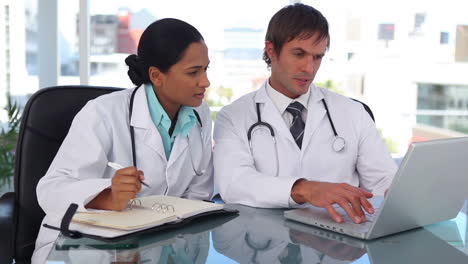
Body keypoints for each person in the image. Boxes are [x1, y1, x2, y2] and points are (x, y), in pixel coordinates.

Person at [32, 18, 212, 263]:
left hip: (157, 245)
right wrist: (106, 196)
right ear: (156, 76)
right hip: (80, 249)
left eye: (205, 69)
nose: (205, 82)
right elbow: (50, 190)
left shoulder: (199, 114)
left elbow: (198, 195)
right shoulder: (102, 113)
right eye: (193, 72)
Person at [213, 3, 397, 225]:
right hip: (265, 240)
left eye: (317, 57)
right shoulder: (234, 116)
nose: (309, 68)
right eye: (299, 54)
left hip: (337, 242)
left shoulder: (353, 112)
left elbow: (384, 181)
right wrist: (304, 189)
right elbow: (234, 183)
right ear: (271, 50)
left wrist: (400, 195)